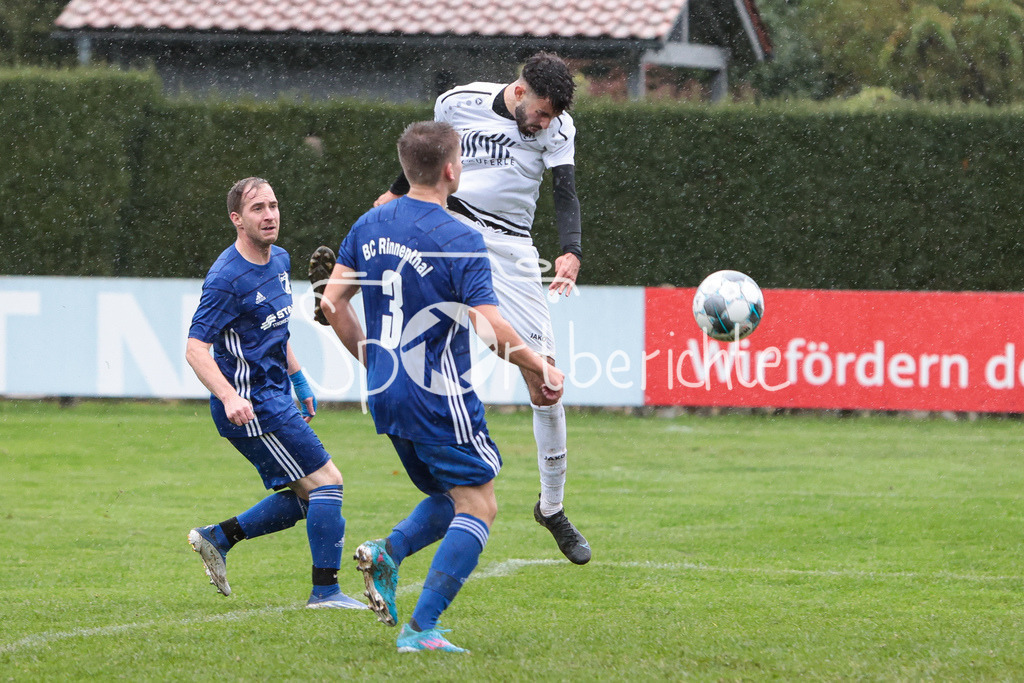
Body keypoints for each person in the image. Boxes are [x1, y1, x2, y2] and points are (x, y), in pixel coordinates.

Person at [311, 51, 590, 565]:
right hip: (451, 231)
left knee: (546, 384)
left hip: (510, 248)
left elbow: (565, 192)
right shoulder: (457, 102)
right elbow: (428, 161)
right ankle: (340, 297)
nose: (544, 123)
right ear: (520, 91)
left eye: (551, 117)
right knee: (405, 306)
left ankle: (551, 508)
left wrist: (570, 250)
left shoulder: (559, 128)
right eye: (540, 113)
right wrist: (394, 194)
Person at [318, 121, 565, 653]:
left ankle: (388, 552)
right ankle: (420, 629)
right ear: (453, 170)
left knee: (447, 496)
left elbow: (332, 302)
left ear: (406, 168)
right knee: (479, 505)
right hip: (436, 393)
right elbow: (488, 326)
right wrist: (537, 366)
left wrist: (373, 361)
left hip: (385, 392)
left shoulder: (369, 223)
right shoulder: (459, 237)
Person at [185, 177, 366, 611]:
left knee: (309, 498)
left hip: (276, 396)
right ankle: (326, 592)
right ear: (237, 219)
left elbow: (275, 331)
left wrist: (299, 380)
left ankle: (219, 537)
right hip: (252, 408)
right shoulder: (226, 278)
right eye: (257, 209)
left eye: (273, 205)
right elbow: (195, 349)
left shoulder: (280, 259)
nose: (269, 215)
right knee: (328, 483)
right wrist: (230, 397)